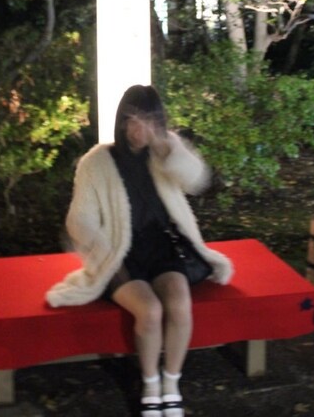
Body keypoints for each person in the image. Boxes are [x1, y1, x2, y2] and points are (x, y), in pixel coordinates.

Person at [46, 85, 233, 417]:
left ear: (158, 122)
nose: (138, 129)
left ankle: (171, 383)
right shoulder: (97, 161)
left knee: (179, 304)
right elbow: (79, 219)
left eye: (148, 120)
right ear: (121, 121)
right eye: (132, 119)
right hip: (120, 253)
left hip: (162, 246)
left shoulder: (165, 151)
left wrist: (167, 149)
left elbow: (197, 180)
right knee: (150, 311)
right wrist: (104, 249)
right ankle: (150, 384)